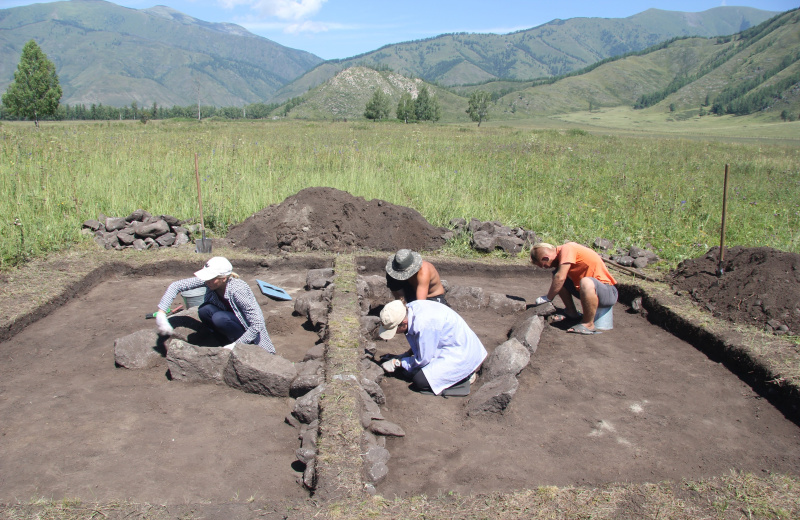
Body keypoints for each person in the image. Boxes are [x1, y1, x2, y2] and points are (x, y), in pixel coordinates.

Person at [155, 256, 276, 353]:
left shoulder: (238, 289)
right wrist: (161, 312)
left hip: (246, 331)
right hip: (229, 322)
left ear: (223, 278)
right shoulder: (211, 281)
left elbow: (257, 324)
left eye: (211, 278)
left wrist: (236, 346)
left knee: (219, 318)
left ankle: (241, 346)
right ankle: (222, 341)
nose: (207, 281)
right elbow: (176, 286)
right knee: (205, 310)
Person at [377, 299, 486, 396]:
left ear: (404, 323)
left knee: (420, 380)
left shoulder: (424, 323)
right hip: (448, 345)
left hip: (462, 353)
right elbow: (421, 343)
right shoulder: (410, 310)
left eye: (395, 329)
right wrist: (405, 355)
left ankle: (464, 377)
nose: (396, 333)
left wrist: (398, 362)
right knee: (411, 370)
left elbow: (422, 360)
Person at [530, 242, 618, 335]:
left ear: (545, 258)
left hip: (608, 293)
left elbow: (560, 277)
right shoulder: (564, 254)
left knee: (581, 281)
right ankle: (571, 313)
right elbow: (559, 278)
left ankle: (588, 324)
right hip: (589, 291)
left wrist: (548, 298)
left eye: (544, 265)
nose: (546, 268)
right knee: (556, 276)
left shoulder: (567, 248)